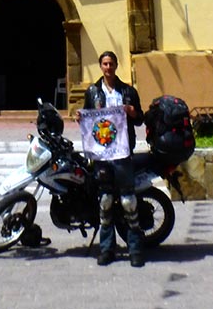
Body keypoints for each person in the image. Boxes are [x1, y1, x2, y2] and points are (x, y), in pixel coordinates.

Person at [82, 50, 145, 267]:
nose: (108, 68)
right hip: (102, 155)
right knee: (105, 201)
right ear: (100, 66)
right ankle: (107, 249)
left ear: (116, 66)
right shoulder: (92, 92)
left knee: (128, 201)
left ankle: (135, 249)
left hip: (123, 152)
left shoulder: (128, 91)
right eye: (105, 64)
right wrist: (81, 118)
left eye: (111, 64)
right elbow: (88, 119)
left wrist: (131, 111)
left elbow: (139, 119)